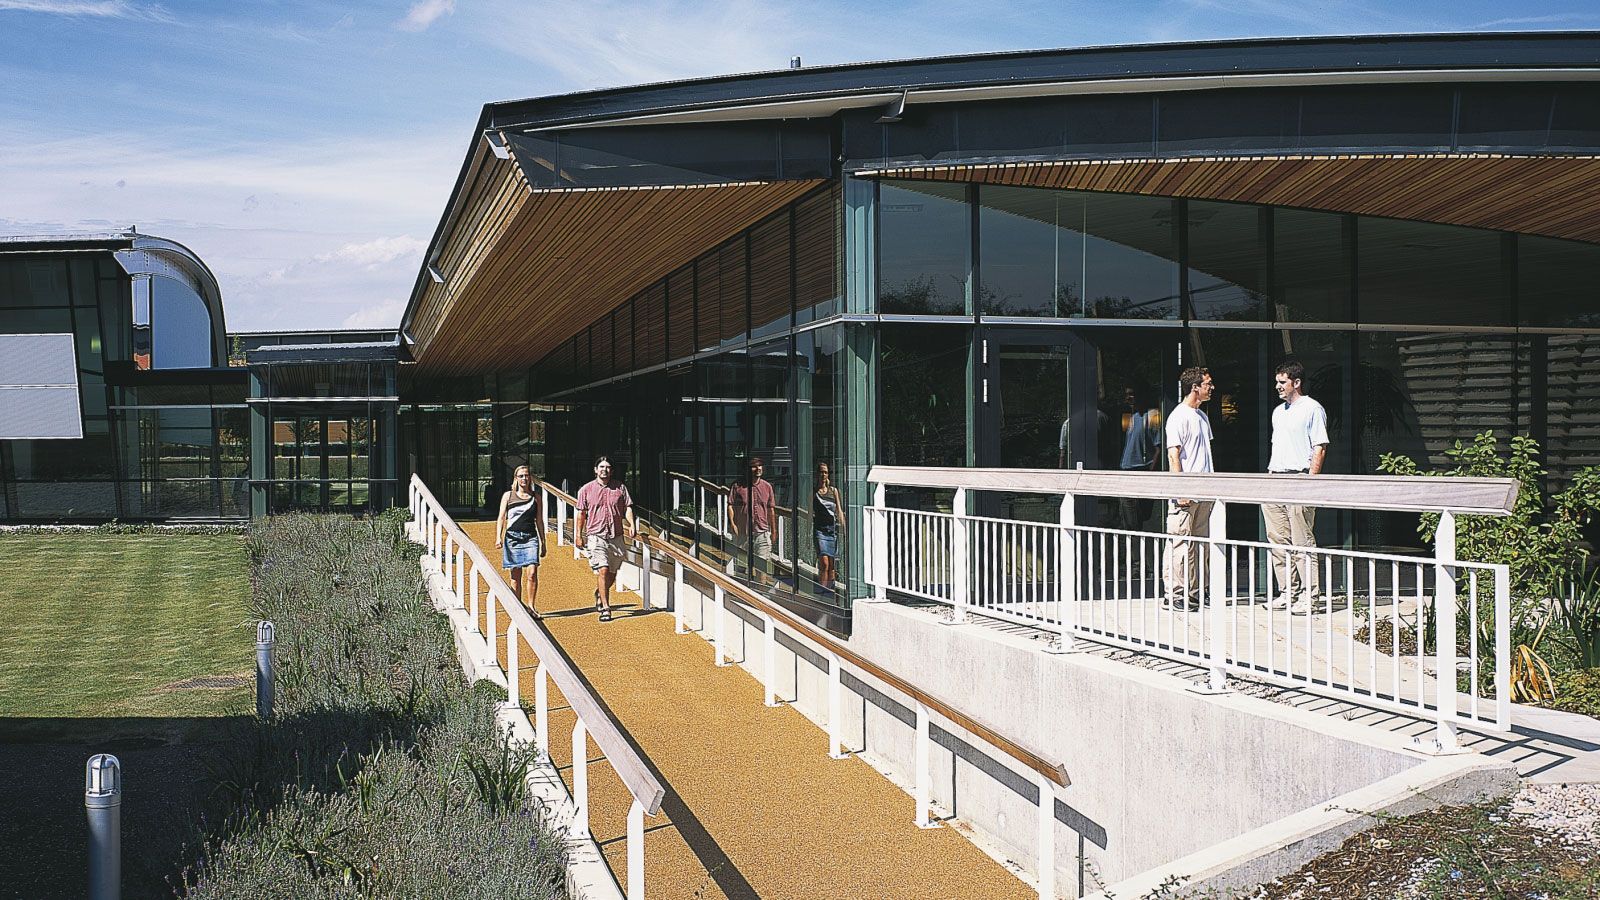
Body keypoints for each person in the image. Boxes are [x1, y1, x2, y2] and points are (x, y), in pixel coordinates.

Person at [1263, 359, 1330, 613]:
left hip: (1299, 478)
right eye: (1277, 382)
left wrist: (1310, 482)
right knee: (1278, 540)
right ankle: (1287, 592)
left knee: (1302, 539)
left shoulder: (1312, 408)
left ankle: (1309, 596)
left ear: (1297, 382)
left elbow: (1320, 447)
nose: (1278, 386)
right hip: (1275, 477)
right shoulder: (1278, 412)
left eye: (1282, 382)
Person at [1165, 366, 1215, 611]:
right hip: (1186, 493)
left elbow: (1204, 454)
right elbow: (1173, 454)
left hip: (1204, 492)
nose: (1211, 388)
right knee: (1180, 543)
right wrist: (1180, 490)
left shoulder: (1202, 417)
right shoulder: (1178, 416)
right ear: (1195, 387)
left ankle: (1196, 592)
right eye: (1208, 384)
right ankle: (1176, 593)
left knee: (1200, 545)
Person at [575, 456, 634, 622]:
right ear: (595, 470)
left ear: (612, 471)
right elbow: (581, 514)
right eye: (601, 467)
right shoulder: (586, 490)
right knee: (603, 569)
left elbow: (627, 507)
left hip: (616, 536)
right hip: (596, 536)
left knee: (612, 574)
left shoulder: (620, 488)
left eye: (607, 467)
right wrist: (578, 535)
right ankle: (606, 608)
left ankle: (600, 592)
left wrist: (632, 524)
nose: (604, 470)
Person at [494, 465, 544, 616]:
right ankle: (517, 608)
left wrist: (543, 541)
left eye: (526, 475)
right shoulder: (508, 496)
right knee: (515, 576)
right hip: (512, 538)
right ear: (516, 478)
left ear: (530, 478)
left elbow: (539, 520)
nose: (524, 479)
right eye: (521, 476)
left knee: (532, 572)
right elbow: (501, 517)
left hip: (530, 538)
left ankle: (531, 606)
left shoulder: (536, 497)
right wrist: (498, 537)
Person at [1117, 383, 1161, 530]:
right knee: (1127, 515)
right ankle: (1131, 545)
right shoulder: (1129, 416)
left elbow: (1158, 447)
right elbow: (1126, 442)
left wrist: (1150, 472)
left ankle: (1136, 546)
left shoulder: (1153, 415)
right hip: (1126, 469)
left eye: (1132, 394)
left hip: (1141, 470)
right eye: (1127, 395)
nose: (1129, 398)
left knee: (1139, 515)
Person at [728, 456, 776, 585]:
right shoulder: (738, 486)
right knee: (742, 567)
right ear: (749, 469)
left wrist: (774, 531)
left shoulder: (767, 487)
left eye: (760, 466)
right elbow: (730, 505)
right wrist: (732, 524)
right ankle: (743, 593)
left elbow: (771, 510)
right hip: (743, 533)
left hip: (762, 533)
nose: (758, 469)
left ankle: (760, 594)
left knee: (762, 566)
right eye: (754, 466)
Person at [813, 461, 844, 592]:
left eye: (825, 472)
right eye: (821, 472)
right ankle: (822, 589)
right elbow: (810, 513)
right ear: (817, 474)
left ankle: (830, 591)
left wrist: (844, 527)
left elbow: (839, 510)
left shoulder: (834, 491)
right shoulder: (814, 492)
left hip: (832, 531)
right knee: (824, 563)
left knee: (831, 564)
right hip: (820, 530)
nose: (823, 474)